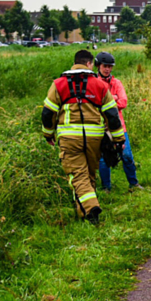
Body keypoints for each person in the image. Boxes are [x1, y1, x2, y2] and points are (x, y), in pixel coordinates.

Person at [42, 49, 125, 225]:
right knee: (89, 175)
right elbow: (112, 115)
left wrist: (48, 134)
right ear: (89, 64)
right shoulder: (100, 85)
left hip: (69, 138)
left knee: (77, 174)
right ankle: (86, 214)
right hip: (94, 138)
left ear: (75, 62)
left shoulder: (59, 84)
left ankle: (91, 206)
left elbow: (48, 113)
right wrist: (119, 140)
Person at [94, 51, 141, 192]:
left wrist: (108, 101)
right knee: (103, 159)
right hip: (101, 127)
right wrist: (113, 98)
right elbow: (94, 104)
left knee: (126, 155)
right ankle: (106, 187)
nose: (107, 69)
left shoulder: (116, 83)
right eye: (105, 66)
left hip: (119, 126)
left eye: (110, 66)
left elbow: (123, 102)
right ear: (98, 66)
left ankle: (134, 184)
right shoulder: (94, 83)